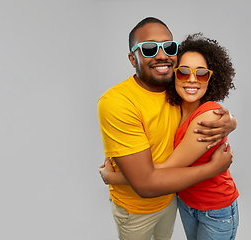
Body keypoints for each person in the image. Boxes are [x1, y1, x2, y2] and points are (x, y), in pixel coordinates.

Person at [97, 17, 237, 240]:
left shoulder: (175, 92)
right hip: (137, 211)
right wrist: (213, 167)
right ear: (133, 58)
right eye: (149, 48)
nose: (161, 55)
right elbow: (145, 185)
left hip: (177, 200)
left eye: (168, 47)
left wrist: (230, 120)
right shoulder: (119, 102)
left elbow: (203, 106)